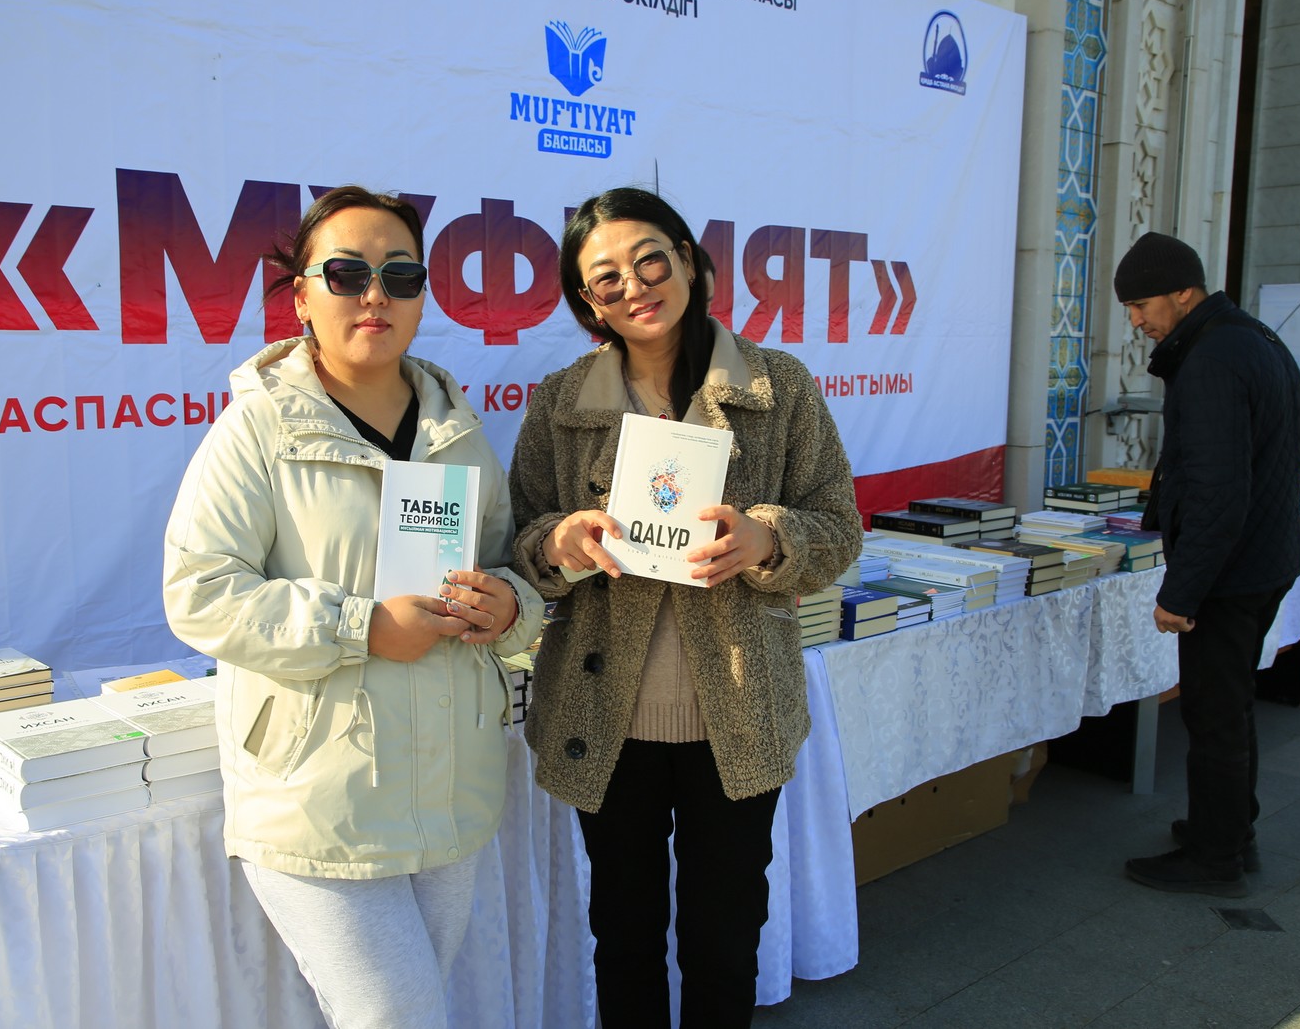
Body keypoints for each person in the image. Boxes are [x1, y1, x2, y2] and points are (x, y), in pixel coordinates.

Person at [162, 185, 543, 1028]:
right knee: (398, 1014)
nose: (376, 295)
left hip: (450, 784)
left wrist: (507, 606)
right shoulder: (257, 430)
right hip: (318, 797)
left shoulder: (458, 432)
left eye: (400, 276)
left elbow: (506, 570)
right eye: (347, 273)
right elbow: (199, 591)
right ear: (300, 296)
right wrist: (361, 626)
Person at [507, 186, 863, 1027]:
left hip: (737, 709)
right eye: (606, 278)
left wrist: (767, 537)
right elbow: (519, 542)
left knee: (724, 938)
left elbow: (840, 525)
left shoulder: (778, 387)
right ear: (587, 301)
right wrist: (560, 544)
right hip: (605, 714)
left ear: (692, 262)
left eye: (650, 261)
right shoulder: (561, 403)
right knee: (623, 933)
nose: (634, 286)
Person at [1115, 231, 1300, 898]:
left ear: (1183, 293)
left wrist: (1182, 592)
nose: (1135, 321)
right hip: (1264, 558)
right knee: (1232, 703)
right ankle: (1230, 830)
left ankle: (1215, 856)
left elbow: (1217, 491)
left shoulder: (1213, 360)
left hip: (1232, 570)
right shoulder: (1252, 339)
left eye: (1141, 305)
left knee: (1213, 711)